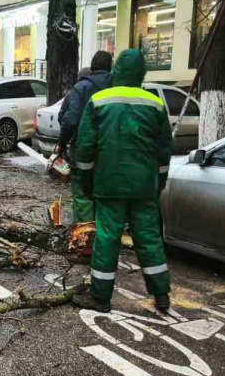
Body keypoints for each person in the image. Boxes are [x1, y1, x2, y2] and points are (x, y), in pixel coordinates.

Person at [71, 48, 172, 314]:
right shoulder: (155, 104)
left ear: (117, 71)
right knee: (149, 238)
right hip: (143, 187)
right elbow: (164, 151)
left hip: (109, 184)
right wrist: (159, 182)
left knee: (107, 238)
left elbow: (85, 147)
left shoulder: (100, 100)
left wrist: (86, 179)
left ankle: (101, 297)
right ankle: (161, 294)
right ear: (141, 74)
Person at [55, 50, 114, 224]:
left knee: (82, 195)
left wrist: (61, 143)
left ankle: (84, 239)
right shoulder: (118, 87)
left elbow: (70, 119)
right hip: (111, 153)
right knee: (106, 198)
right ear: (110, 67)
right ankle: (104, 238)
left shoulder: (81, 88)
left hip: (83, 150)